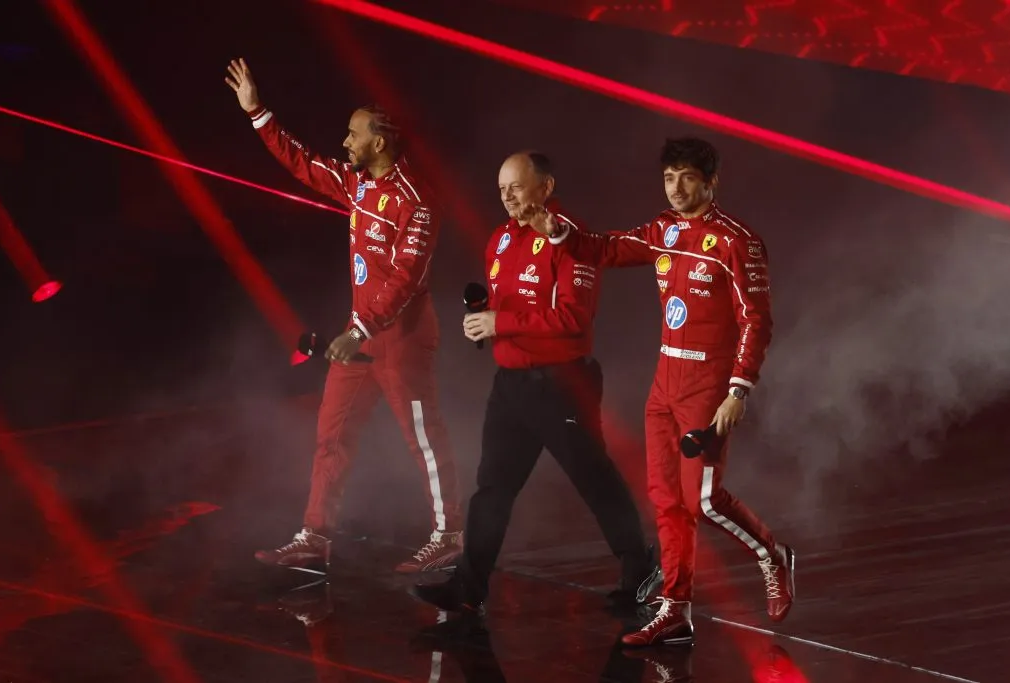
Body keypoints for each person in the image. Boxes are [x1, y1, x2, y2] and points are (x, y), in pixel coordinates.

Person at [528, 137, 794, 646]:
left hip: (708, 386)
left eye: (687, 177)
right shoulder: (660, 231)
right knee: (667, 502)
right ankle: (676, 609)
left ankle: (772, 555)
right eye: (669, 177)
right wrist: (559, 231)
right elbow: (605, 249)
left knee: (706, 502)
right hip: (664, 384)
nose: (676, 188)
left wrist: (738, 390)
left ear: (710, 183)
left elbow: (756, 322)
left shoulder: (737, 241)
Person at [225, 58, 463, 572]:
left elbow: (406, 279)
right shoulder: (355, 183)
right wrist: (256, 112)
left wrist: (359, 329)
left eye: (353, 134)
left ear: (379, 142)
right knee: (331, 436)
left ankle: (449, 536)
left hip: (401, 339)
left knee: (423, 439)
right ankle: (315, 537)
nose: (344, 141)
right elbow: (301, 162)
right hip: (357, 340)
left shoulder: (417, 200)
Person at [411, 151, 657, 614]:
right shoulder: (499, 240)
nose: (507, 198)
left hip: (562, 383)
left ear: (545, 188)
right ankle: (469, 585)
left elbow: (571, 318)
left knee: (592, 476)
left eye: (517, 188)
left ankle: (638, 568)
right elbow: (504, 307)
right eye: (501, 189)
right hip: (511, 387)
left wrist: (500, 321)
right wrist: (481, 319)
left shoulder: (572, 239)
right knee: (492, 487)